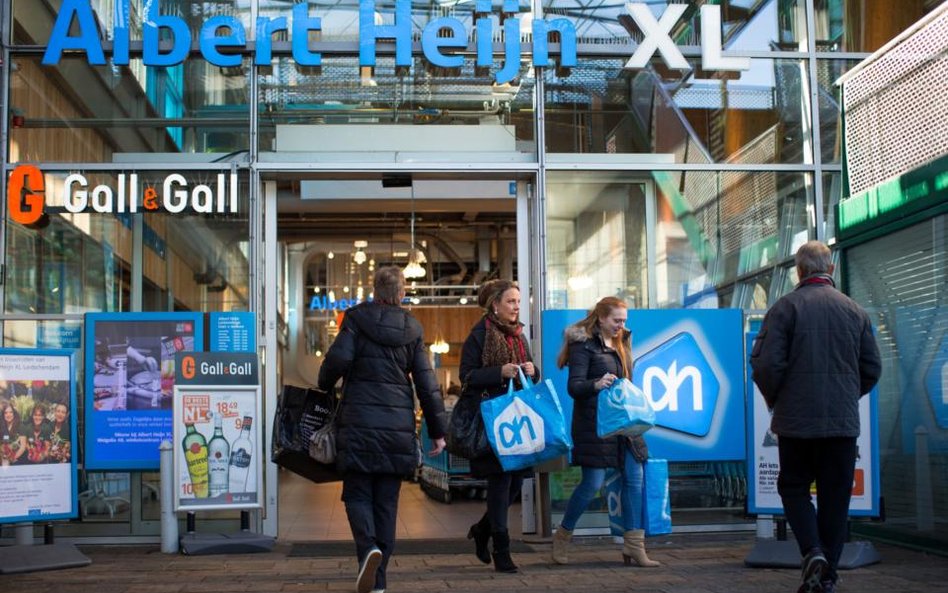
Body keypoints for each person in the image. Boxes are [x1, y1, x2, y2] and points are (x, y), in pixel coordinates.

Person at [750, 241, 881, 593]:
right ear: (832, 269)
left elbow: (765, 365)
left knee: (793, 487)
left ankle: (812, 551)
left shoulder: (784, 308)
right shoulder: (855, 311)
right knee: (836, 497)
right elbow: (872, 368)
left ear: (799, 270)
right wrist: (845, 396)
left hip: (796, 423)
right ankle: (828, 577)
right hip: (842, 423)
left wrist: (778, 399)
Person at [317, 266, 447, 593]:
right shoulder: (413, 328)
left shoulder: (355, 320)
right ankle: (380, 580)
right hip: (396, 427)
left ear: (375, 290)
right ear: (401, 293)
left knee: (357, 495)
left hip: (359, 421)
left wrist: (324, 384)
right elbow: (428, 385)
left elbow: (337, 361)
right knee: (387, 503)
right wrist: (438, 430)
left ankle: (368, 551)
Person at [551, 296, 659, 567]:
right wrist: (596, 384)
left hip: (626, 423)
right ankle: (562, 536)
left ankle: (634, 547)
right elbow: (574, 387)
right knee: (592, 484)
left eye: (624, 320)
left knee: (634, 481)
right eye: (616, 320)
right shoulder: (583, 345)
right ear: (601, 317)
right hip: (594, 425)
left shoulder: (622, 342)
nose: (621, 325)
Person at [459, 279, 538, 574]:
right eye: (511, 302)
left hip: (520, 420)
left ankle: (481, 530)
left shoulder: (519, 336)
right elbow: (465, 376)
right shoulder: (479, 335)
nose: (517, 307)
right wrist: (498, 372)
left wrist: (533, 370)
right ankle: (501, 550)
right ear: (495, 305)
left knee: (516, 483)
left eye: (518, 302)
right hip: (493, 422)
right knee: (501, 483)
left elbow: (532, 377)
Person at [0, 401, 27, 465]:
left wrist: (11, 458)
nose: (8, 415)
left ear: (14, 413)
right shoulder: (1, 426)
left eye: (10, 412)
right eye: (6, 413)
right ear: (3, 415)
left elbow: (23, 447)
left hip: (17, 459)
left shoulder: (20, 426)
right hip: (4, 459)